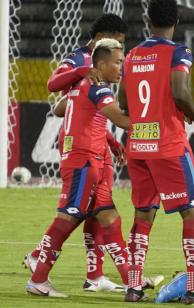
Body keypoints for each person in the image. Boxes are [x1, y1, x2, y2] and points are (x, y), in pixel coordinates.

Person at [118, 0, 194, 304]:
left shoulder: (131, 56)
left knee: (143, 213)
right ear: (176, 21)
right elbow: (180, 91)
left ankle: (133, 287)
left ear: (148, 21)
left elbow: (124, 100)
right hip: (168, 145)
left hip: (138, 144)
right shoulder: (178, 52)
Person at [23, 13, 131, 293]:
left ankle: (115, 278)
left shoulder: (98, 81)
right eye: (117, 52)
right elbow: (53, 87)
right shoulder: (81, 61)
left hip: (94, 145)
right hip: (82, 150)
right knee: (74, 213)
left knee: (102, 212)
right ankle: (39, 272)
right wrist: (81, 73)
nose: (122, 62)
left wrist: (108, 138)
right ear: (100, 44)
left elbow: (67, 107)